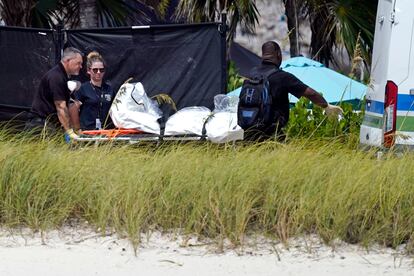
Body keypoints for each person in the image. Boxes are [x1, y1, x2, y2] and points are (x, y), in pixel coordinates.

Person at [244, 41, 343, 140]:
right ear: (279, 54)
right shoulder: (282, 76)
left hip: (249, 130)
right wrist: (326, 106)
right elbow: (310, 93)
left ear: (263, 55)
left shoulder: (252, 74)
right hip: (271, 134)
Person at [26, 47, 83, 140]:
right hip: (40, 125)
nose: (81, 66)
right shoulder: (56, 77)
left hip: (49, 124)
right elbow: (61, 106)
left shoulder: (63, 76)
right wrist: (69, 131)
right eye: (78, 63)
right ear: (68, 60)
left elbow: (70, 105)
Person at [69, 51, 115, 131]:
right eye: (95, 70)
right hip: (87, 132)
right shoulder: (83, 89)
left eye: (101, 70)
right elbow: (73, 109)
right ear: (89, 71)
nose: (98, 72)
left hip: (106, 132)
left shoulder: (109, 89)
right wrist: (77, 128)